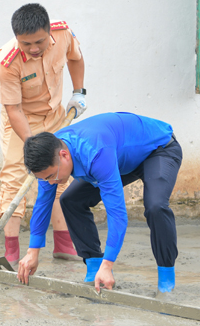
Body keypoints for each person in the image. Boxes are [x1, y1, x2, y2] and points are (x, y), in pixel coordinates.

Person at [16, 112, 183, 293]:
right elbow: (43, 204)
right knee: (70, 200)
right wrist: (33, 251)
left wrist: (109, 264)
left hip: (158, 150)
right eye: (44, 179)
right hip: (121, 157)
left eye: (50, 176)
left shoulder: (95, 153)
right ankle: (95, 267)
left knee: (155, 206)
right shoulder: (49, 155)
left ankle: (166, 277)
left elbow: (117, 214)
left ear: (64, 155)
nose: (50, 182)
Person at [0, 3, 86, 265]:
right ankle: (11, 250)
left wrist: (79, 92)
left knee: (58, 175)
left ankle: (64, 243)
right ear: (16, 38)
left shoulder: (63, 32)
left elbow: (75, 58)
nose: (33, 48)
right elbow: (13, 110)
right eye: (26, 44)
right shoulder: (6, 63)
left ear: (49, 32)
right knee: (13, 179)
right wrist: (34, 145)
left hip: (55, 115)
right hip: (21, 120)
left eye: (39, 41)